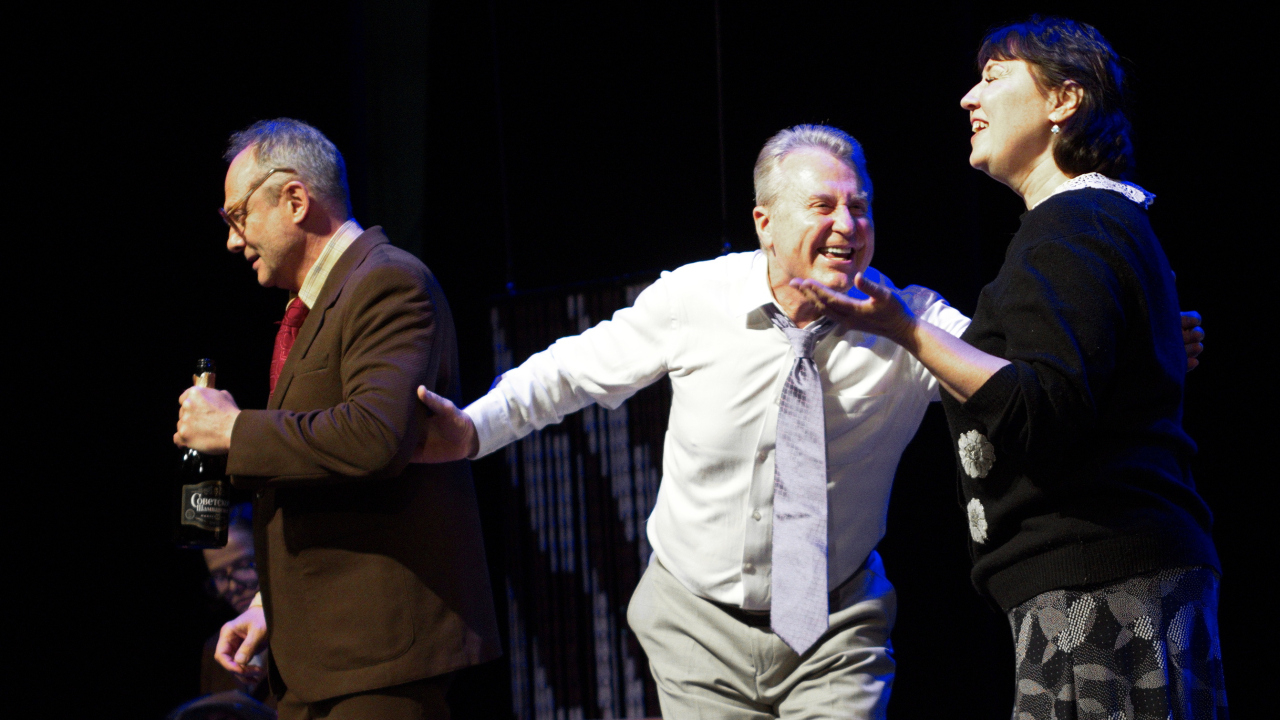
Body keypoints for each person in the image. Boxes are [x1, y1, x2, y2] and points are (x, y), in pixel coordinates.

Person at [413, 122, 1198, 717]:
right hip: (693, 623)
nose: (847, 224)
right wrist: (473, 430)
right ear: (765, 223)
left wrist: (1145, 341)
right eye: (823, 205)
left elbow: (1027, 378)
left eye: (860, 206)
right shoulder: (695, 299)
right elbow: (567, 373)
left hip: (837, 624)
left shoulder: (910, 322)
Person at [795, 17, 1225, 719]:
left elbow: (1040, 406)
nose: (970, 96)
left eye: (994, 77)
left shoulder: (1073, 222)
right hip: (1110, 580)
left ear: (1064, 100)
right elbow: (1074, 372)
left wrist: (902, 328)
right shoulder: (1092, 221)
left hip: (1102, 587)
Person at [174, 118, 500, 720]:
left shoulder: (388, 281)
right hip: (320, 659)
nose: (233, 241)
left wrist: (233, 429)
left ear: (295, 200)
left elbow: (372, 437)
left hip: (380, 656)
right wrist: (269, 607)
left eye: (238, 216)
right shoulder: (315, 305)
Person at [200, 504, 270, 700]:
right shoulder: (214, 648)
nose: (233, 586)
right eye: (220, 575)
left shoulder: (300, 629)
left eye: (244, 566)